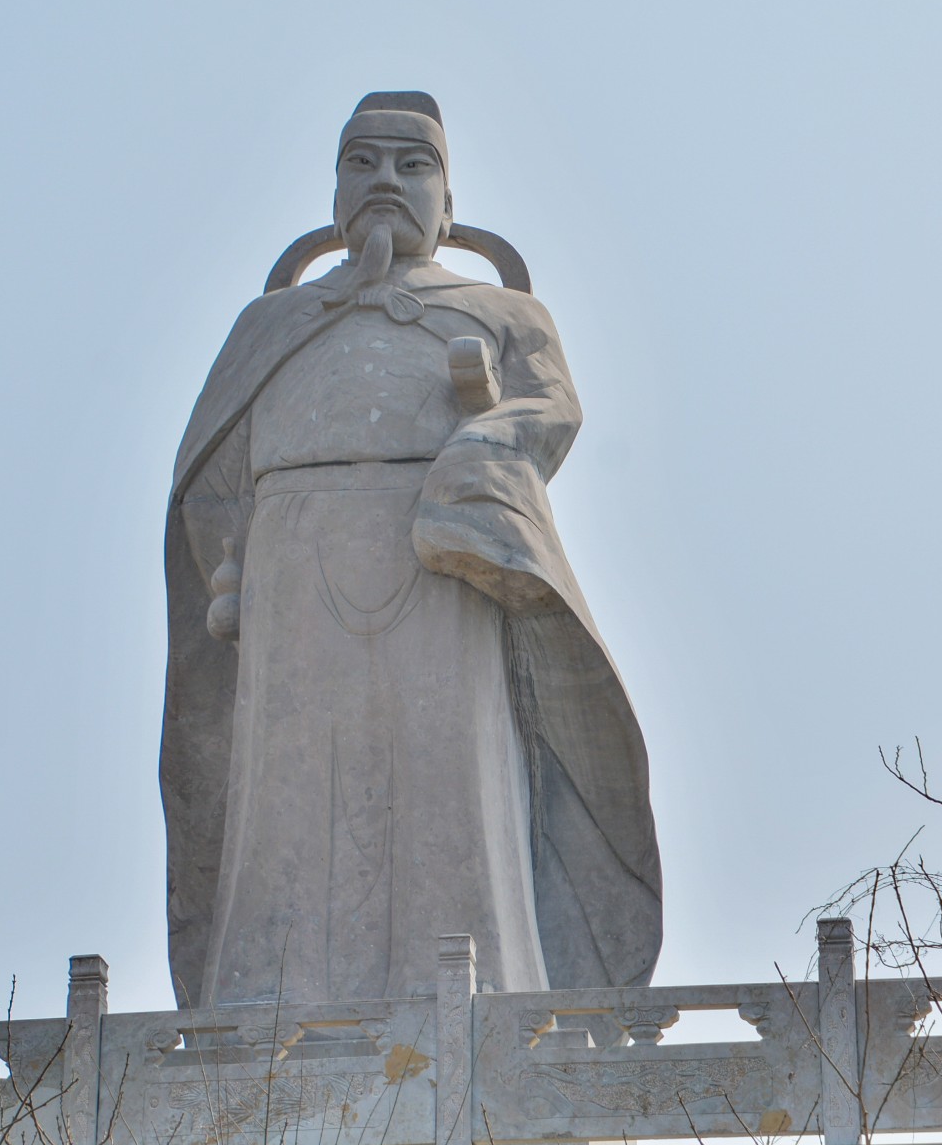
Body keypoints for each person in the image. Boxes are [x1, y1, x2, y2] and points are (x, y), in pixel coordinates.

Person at [160, 92, 661, 1008]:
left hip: (442, 559)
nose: (386, 178)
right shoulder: (268, 325)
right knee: (286, 809)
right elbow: (215, 466)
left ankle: (476, 1005)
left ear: (449, 202)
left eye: (412, 163)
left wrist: (480, 449)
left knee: (451, 786)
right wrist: (233, 558)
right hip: (291, 570)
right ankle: (260, 1013)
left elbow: (550, 410)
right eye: (363, 161)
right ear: (337, 193)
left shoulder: (505, 314)